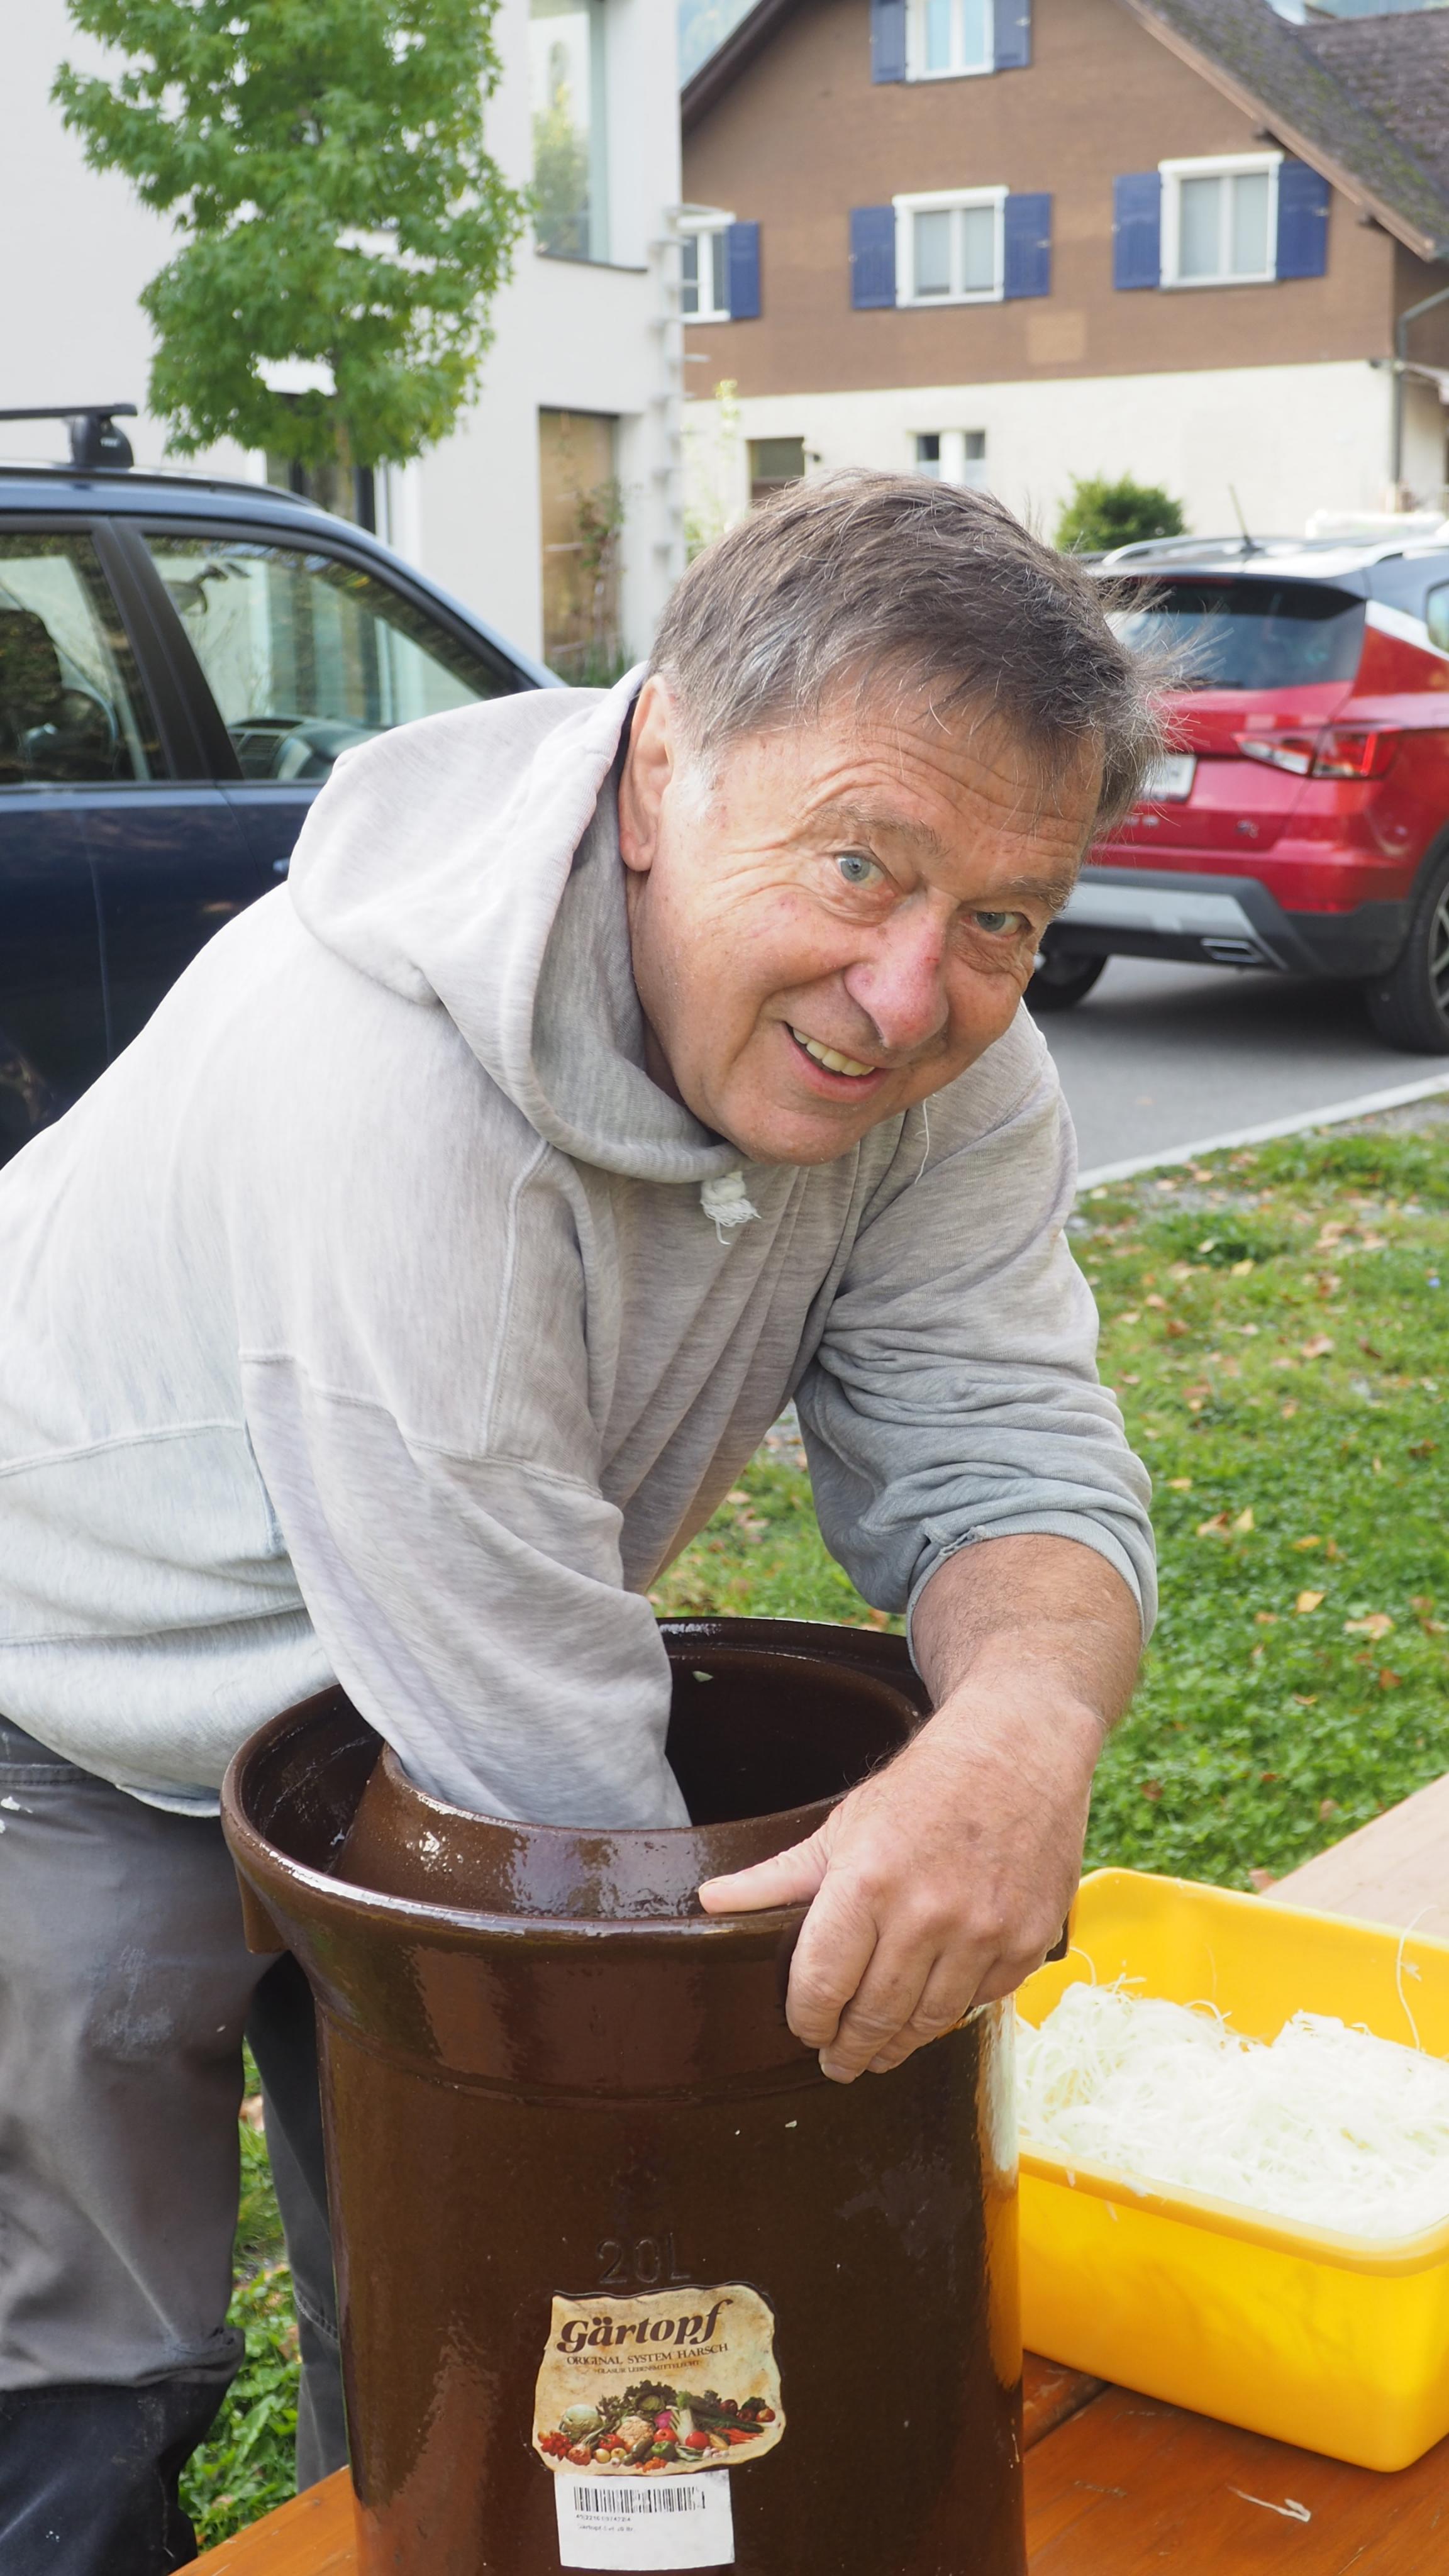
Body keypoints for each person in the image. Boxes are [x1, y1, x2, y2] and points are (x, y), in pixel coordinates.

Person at [0, 472, 1156, 2572]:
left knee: (444, 2274)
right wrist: (709, 2192)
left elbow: (1009, 1453)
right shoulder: (387, 1100)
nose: (911, 995)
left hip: (424, 1653)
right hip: (63, 1675)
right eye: (858, 863)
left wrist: (1019, 1731)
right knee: (90, 2346)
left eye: (1004, 917)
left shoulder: (945, 1057)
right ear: (656, 774)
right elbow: (543, 1767)